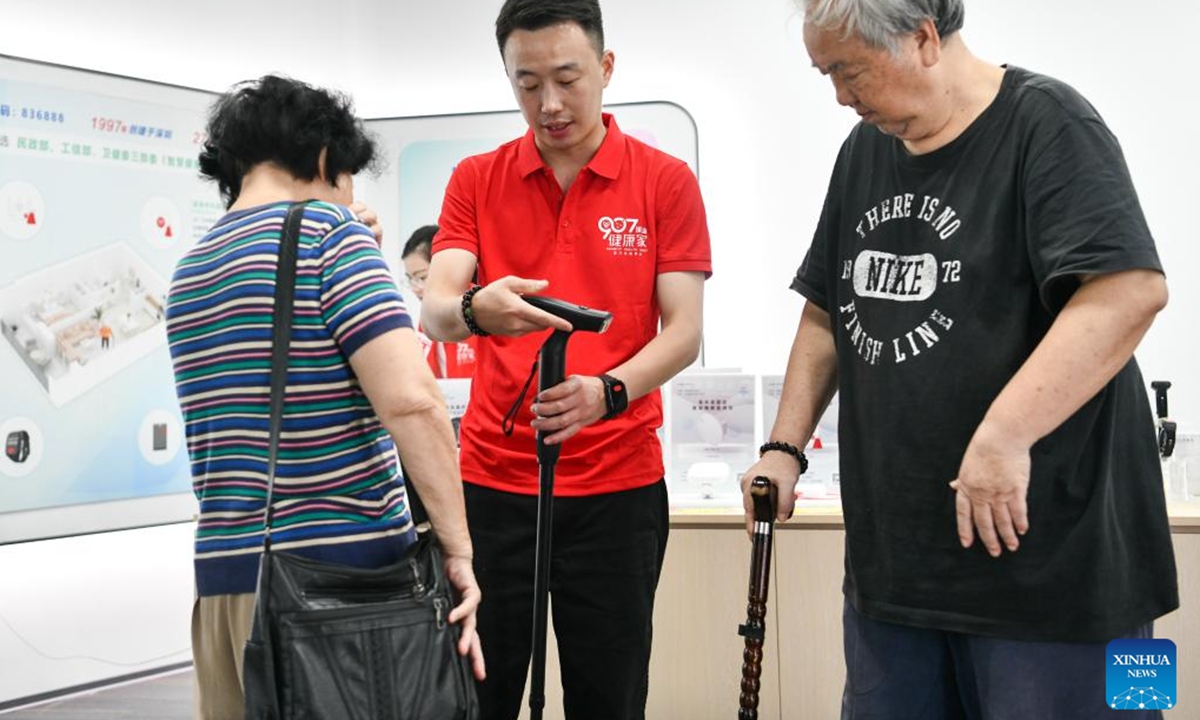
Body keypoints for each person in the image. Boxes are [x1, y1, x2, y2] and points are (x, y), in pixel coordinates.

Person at [742, 1, 1180, 717]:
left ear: (922, 39)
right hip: (899, 578)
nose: (841, 98)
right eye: (826, 74)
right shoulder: (864, 152)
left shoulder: (1051, 124)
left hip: (1064, 581)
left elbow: (1130, 291)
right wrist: (784, 446)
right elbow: (825, 312)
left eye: (849, 71)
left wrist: (1004, 434)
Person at [421, 1, 711, 717]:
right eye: (526, 84)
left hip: (617, 487)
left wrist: (607, 392)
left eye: (567, 78)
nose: (548, 104)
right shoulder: (477, 179)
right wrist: (473, 310)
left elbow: (683, 333)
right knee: (476, 695)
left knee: (607, 698)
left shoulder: (663, 181)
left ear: (606, 69)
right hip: (492, 486)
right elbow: (435, 306)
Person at [165, 75, 484, 720]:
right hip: (341, 591)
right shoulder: (328, 236)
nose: (352, 197)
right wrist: (459, 550)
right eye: (348, 178)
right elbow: (414, 404)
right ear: (321, 160)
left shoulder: (190, 269)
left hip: (226, 585)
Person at [402, 224, 478, 378]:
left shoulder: (478, 307)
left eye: (422, 277)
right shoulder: (426, 319)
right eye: (411, 279)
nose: (415, 288)